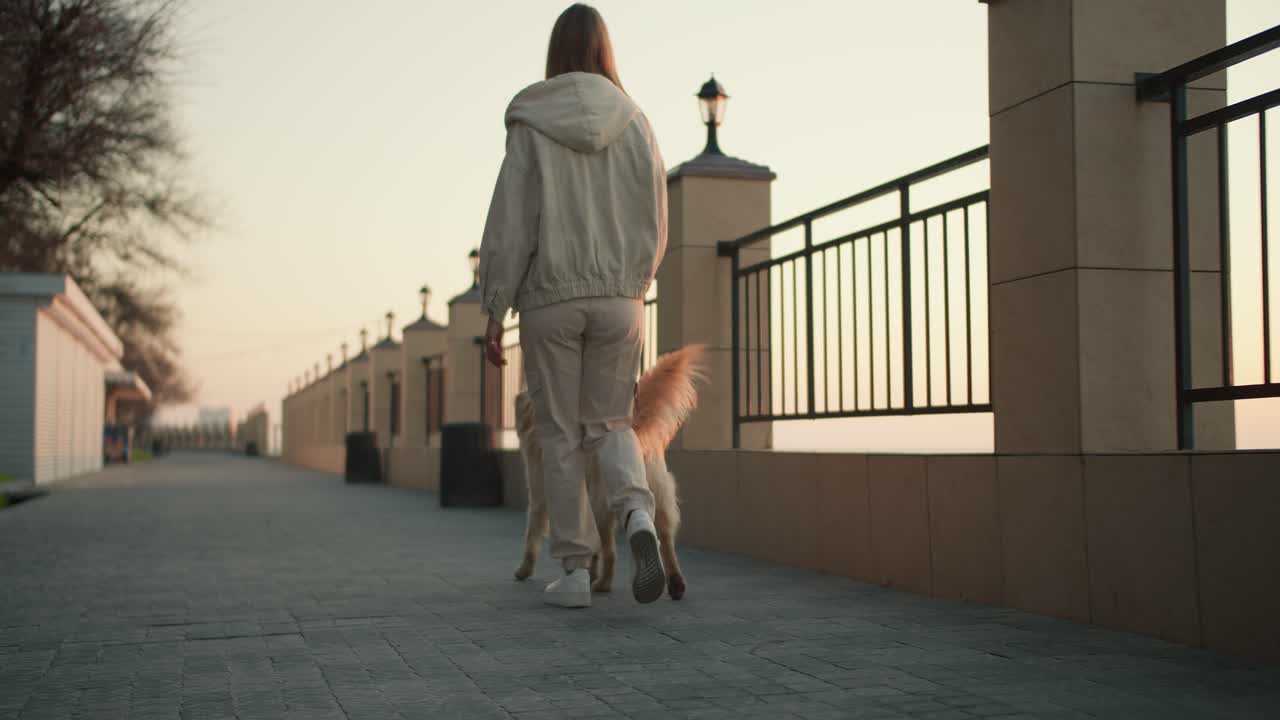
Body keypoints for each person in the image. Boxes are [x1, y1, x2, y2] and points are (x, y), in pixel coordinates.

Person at [478, 3, 668, 609]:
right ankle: (637, 516)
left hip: (550, 299)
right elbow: (656, 218)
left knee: (559, 434)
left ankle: (575, 573)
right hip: (620, 300)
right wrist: (636, 283)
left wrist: (494, 306)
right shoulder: (636, 121)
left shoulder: (531, 122)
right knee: (610, 424)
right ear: (605, 51)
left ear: (556, 53)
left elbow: (512, 221)